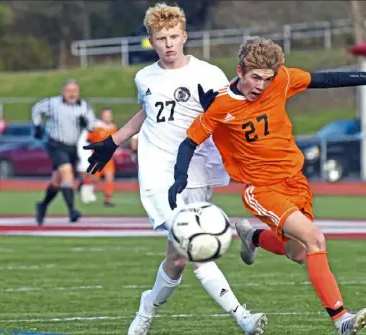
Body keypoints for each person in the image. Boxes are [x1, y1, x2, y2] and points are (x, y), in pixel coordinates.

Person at [168, 36, 366, 335]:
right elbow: (190, 140)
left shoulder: (281, 80)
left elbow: (325, 79)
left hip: (295, 182)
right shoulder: (221, 105)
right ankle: (341, 319)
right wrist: (179, 176)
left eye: (266, 79)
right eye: (255, 77)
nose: (260, 85)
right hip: (262, 189)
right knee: (315, 240)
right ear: (240, 70)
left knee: (298, 252)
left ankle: (254, 237)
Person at [83, 3, 267, 335]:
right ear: (151, 42)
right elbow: (148, 112)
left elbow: (226, 115)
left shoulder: (207, 74)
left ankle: (146, 309)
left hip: (195, 169)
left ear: (184, 36)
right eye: (160, 38)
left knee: (177, 259)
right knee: (194, 244)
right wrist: (114, 141)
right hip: (156, 172)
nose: (167, 44)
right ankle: (243, 317)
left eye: (172, 37)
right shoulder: (144, 76)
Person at [31, 79, 96, 225]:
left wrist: (87, 123)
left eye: (74, 91)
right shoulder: (53, 103)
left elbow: (92, 125)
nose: (72, 94)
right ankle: (72, 210)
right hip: (56, 145)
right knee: (67, 174)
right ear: (63, 92)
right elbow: (36, 109)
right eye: (68, 91)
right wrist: (37, 126)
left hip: (73, 147)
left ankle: (42, 205)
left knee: (56, 182)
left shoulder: (84, 106)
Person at [86, 108, 118, 207]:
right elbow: (88, 139)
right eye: (105, 115)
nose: (107, 117)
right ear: (102, 116)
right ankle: (84, 185)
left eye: (109, 115)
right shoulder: (96, 127)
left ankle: (107, 199)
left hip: (108, 157)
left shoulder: (113, 127)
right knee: (94, 178)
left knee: (109, 178)